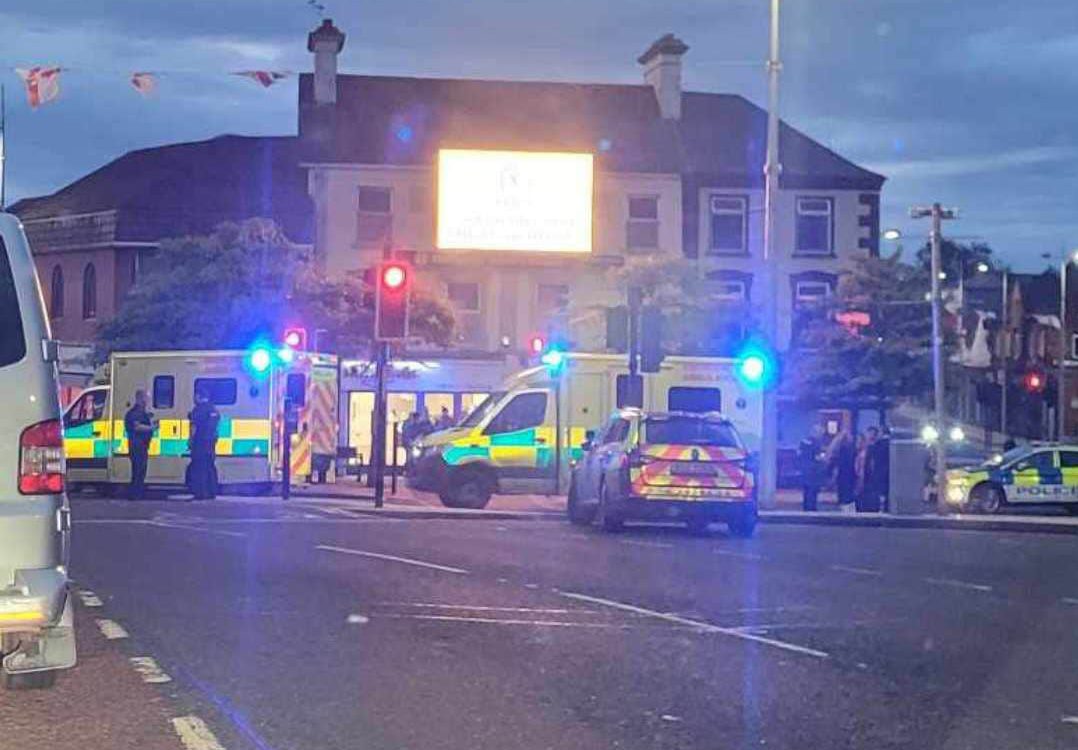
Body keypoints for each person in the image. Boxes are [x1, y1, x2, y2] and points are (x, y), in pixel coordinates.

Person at [187, 388, 220, 500]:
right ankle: (212, 492)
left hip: (200, 442)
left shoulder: (198, 410)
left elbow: (194, 427)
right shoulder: (213, 409)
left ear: (199, 396)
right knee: (210, 467)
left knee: (199, 468)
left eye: (195, 396)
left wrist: (190, 440)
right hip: (211, 443)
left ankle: (201, 493)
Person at [123, 389, 155, 501]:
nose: (148, 400)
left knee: (141, 471)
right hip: (137, 446)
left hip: (142, 446)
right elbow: (137, 427)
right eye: (146, 398)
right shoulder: (135, 413)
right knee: (137, 471)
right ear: (140, 398)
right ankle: (135, 495)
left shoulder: (142, 412)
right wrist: (152, 428)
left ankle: (137, 494)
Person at [797, 425, 825, 511]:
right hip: (814, 472)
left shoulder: (803, 442)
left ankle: (806, 508)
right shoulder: (817, 443)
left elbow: (798, 454)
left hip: (805, 470)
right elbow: (819, 457)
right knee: (813, 492)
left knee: (806, 491)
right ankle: (811, 508)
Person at [828, 429, 857, 511]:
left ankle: (845, 512)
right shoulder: (851, 450)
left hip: (842, 477)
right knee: (848, 497)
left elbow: (832, 464)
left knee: (843, 497)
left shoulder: (837, 451)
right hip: (849, 476)